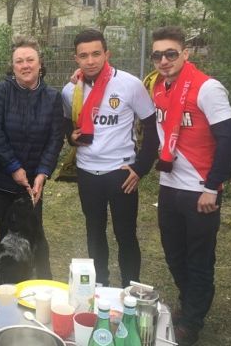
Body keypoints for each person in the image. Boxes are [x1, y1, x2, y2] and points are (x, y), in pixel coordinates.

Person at [148, 26, 231, 346]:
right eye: (157, 54)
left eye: (171, 53)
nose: (163, 60)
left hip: (201, 188)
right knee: (174, 254)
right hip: (169, 184)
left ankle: (192, 322)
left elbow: (228, 141)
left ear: (185, 54)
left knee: (199, 258)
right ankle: (190, 305)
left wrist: (213, 187)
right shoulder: (157, 85)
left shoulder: (208, 88)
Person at [61, 29, 158, 288]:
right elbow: (65, 127)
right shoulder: (70, 91)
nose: (90, 60)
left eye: (96, 53)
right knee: (94, 233)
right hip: (87, 172)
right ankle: (100, 287)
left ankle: (131, 289)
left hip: (121, 173)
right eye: (84, 55)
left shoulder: (129, 84)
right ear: (76, 59)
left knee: (126, 235)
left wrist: (141, 168)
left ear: (107, 54)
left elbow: (152, 128)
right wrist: (71, 137)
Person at [0, 36, 64, 279]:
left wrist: (43, 173)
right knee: (7, 236)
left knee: (34, 235)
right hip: (1, 180)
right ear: (13, 66)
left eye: (30, 59)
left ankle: (42, 284)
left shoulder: (52, 97)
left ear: (40, 63)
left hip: (33, 183)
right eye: (19, 61)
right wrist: (13, 167)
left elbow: (55, 138)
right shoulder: (1, 90)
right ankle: (8, 285)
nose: (25, 65)